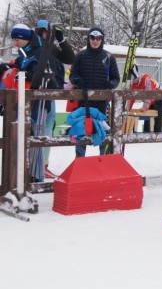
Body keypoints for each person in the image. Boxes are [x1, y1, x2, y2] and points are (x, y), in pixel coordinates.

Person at [11, 21, 75, 181]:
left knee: (47, 129)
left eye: (51, 32)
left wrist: (62, 40)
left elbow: (69, 58)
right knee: (36, 129)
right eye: (46, 31)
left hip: (49, 92)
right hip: (37, 95)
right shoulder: (34, 47)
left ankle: (43, 164)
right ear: (39, 31)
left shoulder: (50, 47)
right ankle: (33, 166)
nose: (48, 34)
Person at [69, 26, 120, 157]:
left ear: (102, 39)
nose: (95, 41)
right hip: (83, 102)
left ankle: (103, 161)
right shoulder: (80, 56)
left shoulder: (109, 57)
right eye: (92, 37)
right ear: (89, 39)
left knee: (102, 132)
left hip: (102, 103)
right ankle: (80, 161)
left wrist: (111, 84)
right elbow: (72, 75)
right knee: (81, 130)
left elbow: (116, 79)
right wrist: (78, 81)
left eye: (98, 38)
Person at [128, 64, 162, 133]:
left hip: (158, 96)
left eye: (133, 79)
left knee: (156, 116)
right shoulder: (133, 84)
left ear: (137, 77)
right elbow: (132, 97)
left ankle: (157, 133)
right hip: (148, 98)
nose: (133, 82)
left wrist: (145, 107)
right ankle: (146, 132)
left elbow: (149, 95)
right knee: (147, 116)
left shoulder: (147, 80)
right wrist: (128, 107)